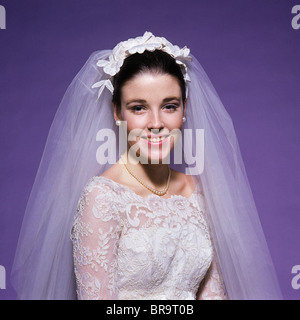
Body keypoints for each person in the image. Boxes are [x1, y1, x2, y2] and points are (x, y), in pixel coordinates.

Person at [11, 32, 282, 300]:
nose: (155, 123)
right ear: (117, 112)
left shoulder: (199, 191)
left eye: (169, 106)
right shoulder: (103, 197)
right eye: (139, 108)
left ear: (184, 109)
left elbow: (213, 294)